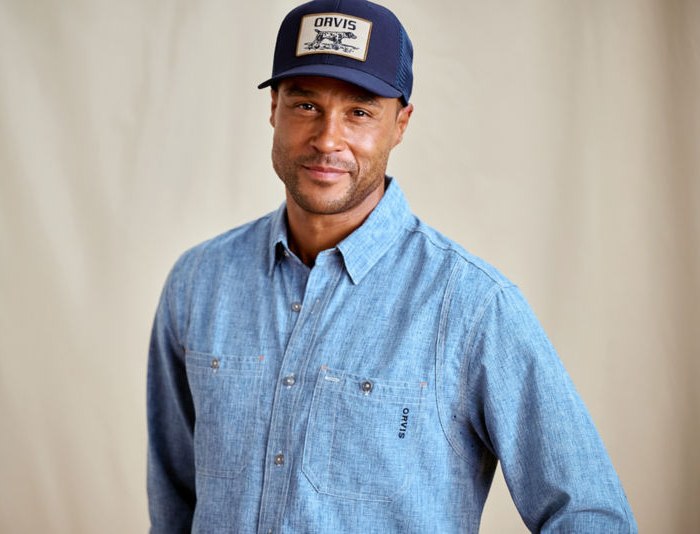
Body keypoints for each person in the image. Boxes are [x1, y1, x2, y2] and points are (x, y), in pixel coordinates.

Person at [146, 0, 637, 532]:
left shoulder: (471, 306)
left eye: (359, 112)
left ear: (400, 124)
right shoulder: (199, 283)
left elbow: (589, 513)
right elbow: (175, 502)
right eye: (305, 105)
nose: (327, 139)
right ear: (273, 109)